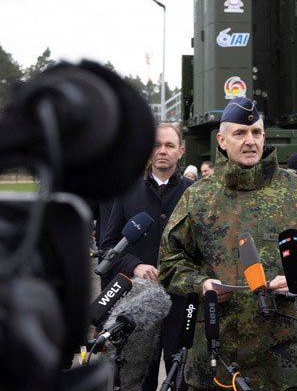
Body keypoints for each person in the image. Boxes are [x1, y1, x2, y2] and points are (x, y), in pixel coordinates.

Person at [158, 97, 297, 391]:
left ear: (264, 136)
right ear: (222, 140)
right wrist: (201, 284)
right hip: (216, 355)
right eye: (240, 133)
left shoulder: (293, 191)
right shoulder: (199, 197)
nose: (250, 141)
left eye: (256, 132)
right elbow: (169, 262)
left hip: (280, 355)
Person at [100, 123, 194, 391]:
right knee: (139, 381)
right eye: (156, 145)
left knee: (182, 379)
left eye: (169, 145)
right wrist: (135, 265)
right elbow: (108, 246)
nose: (162, 151)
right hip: (140, 306)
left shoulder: (194, 193)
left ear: (181, 151)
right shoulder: (128, 194)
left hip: (182, 303)